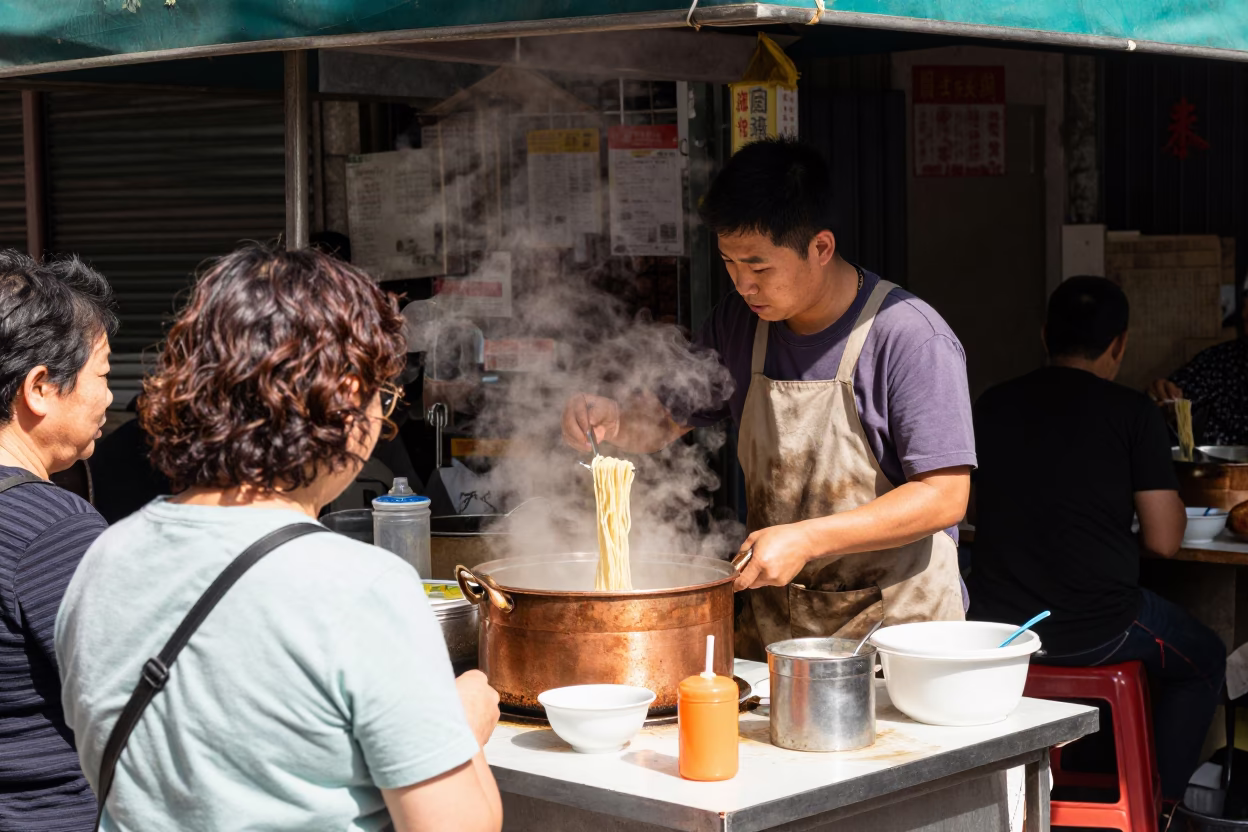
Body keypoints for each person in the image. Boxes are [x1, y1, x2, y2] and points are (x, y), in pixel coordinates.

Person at [55, 244, 503, 831]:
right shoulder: (362, 588)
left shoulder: (99, 560)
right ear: (342, 401)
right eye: (380, 397)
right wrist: (462, 726)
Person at [562, 138, 976, 657]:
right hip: (779, 636)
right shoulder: (738, 325)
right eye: (730, 264)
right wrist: (615, 421)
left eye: (759, 268)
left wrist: (806, 538)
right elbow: (665, 421)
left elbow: (944, 495)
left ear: (820, 248)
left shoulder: (908, 337)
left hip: (900, 640)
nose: (742, 285)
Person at [969, 276, 1226, 803]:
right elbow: (1164, 541)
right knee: (1206, 658)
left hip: (1000, 631)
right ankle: (1163, 806)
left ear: (1045, 337)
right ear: (1120, 344)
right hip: (1099, 629)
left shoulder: (991, 404)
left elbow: (972, 510)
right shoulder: (1132, 414)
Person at [0, 250, 116, 829]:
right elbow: (130, 706)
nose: (110, 399)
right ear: (40, 387)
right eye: (103, 376)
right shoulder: (51, 529)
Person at [1147, 288, 1248, 445]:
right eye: (1245, 310)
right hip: (1218, 467)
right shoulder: (1220, 361)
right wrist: (1162, 396)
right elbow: (1172, 399)